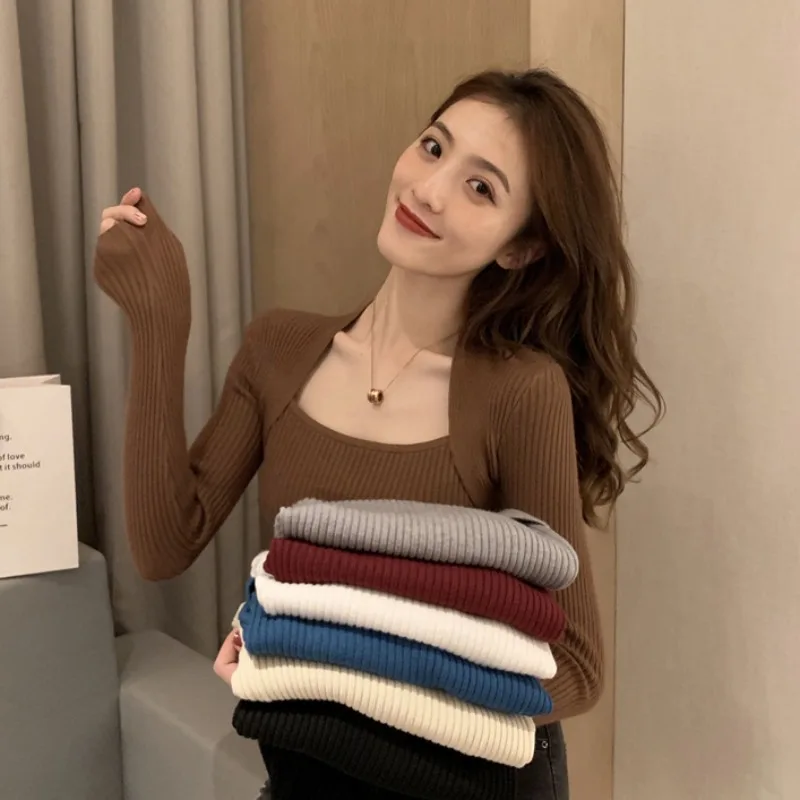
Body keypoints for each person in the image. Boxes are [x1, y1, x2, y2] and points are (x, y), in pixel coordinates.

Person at [95, 68, 663, 799]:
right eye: (434, 148)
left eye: (480, 187)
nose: (429, 190)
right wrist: (158, 318)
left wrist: (314, 652)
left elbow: (576, 665)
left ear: (519, 249)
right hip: (303, 776)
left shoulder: (518, 391)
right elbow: (165, 545)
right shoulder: (277, 351)